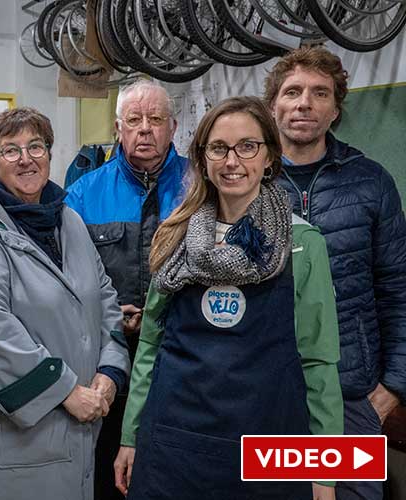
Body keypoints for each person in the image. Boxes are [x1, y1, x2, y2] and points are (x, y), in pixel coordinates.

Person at [113, 96, 343, 500]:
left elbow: (318, 360)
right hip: (173, 444)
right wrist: (130, 436)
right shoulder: (175, 237)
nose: (232, 161)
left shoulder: (301, 244)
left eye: (247, 146)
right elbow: (150, 343)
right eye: (218, 148)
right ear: (202, 159)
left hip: (266, 449)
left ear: (270, 156)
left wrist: (324, 469)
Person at [0, 107, 130, 500]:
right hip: (14, 439)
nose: (26, 158)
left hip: (81, 422)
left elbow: (106, 301)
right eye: (10, 151)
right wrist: (67, 392)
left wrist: (110, 373)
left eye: (36, 146)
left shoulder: (69, 221)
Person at [265, 46, 406, 500]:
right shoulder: (247, 185)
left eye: (319, 93)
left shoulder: (371, 182)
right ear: (273, 108)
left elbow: (399, 291)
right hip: (270, 396)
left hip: (353, 399)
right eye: (292, 92)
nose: (305, 102)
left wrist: (392, 389)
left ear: (335, 109)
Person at [65, 79, 187, 500]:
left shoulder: (201, 186)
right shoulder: (82, 194)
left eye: (155, 119)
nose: (145, 129)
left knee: (170, 465)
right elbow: (67, 278)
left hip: (181, 354)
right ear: (119, 128)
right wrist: (108, 314)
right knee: (106, 468)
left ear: (173, 126)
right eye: (134, 120)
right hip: (106, 356)